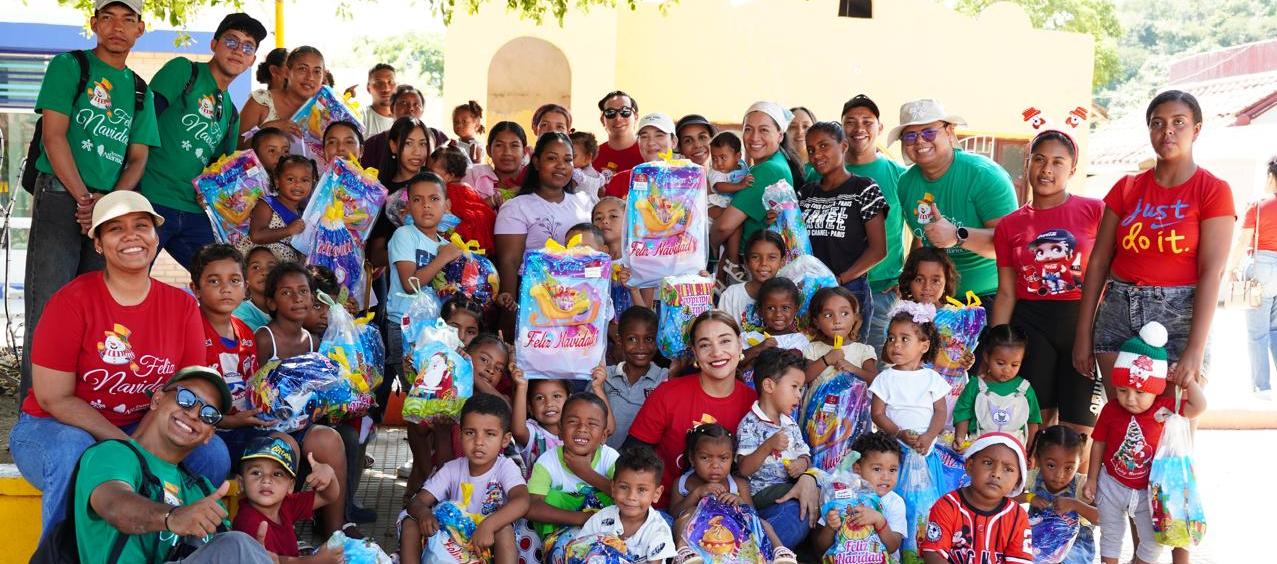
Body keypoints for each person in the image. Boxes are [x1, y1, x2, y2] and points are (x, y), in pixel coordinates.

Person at [11, 191, 227, 536]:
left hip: (139, 428)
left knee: (212, 454)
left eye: (141, 226)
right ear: (98, 243)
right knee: (74, 452)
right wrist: (129, 448)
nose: (131, 236)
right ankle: (62, 555)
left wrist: (164, 436)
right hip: (53, 429)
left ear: (156, 237)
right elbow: (54, 398)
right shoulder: (71, 302)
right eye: (114, 229)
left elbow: (190, 390)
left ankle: (175, 547)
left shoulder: (182, 307)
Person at [21, 0, 161, 404]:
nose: (118, 27)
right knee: (47, 307)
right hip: (62, 197)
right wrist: (87, 200)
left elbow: (138, 158)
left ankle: (82, 404)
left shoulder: (139, 90)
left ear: (140, 29)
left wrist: (110, 204)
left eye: (128, 19)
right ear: (95, 24)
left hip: (107, 213)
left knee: (99, 310)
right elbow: (54, 137)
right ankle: (36, 409)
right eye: (108, 18)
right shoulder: (70, 66)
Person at [1073, 91, 1233, 432]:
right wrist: (1083, 334)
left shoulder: (1212, 190)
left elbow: (1212, 271)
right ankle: (1116, 489)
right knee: (1122, 425)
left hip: (1180, 316)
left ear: (1197, 130)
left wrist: (1195, 348)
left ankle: (1171, 490)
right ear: (1149, 130)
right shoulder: (1128, 188)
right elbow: (1099, 261)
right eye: (1158, 123)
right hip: (1118, 311)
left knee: (1171, 427)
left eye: (1179, 123)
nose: (1167, 132)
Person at [625, 311, 821, 541]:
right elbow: (632, 456)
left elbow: (791, 451)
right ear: (695, 354)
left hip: (738, 510)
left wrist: (809, 477)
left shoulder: (757, 403)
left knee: (794, 512)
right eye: (705, 345)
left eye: (725, 341)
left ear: (740, 346)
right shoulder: (668, 394)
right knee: (660, 529)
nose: (717, 352)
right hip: (673, 511)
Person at [63, 366, 273, 563]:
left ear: (210, 434)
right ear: (157, 399)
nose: (193, 414)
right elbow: (114, 506)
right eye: (186, 398)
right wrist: (172, 517)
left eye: (208, 414)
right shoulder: (113, 454)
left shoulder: (202, 490)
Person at [991, 128, 1103, 435]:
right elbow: (1006, 293)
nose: (1046, 169)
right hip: (1032, 324)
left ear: (1072, 169)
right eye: (1039, 159)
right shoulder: (1009, 225)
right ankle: (1029, 483)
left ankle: (1080, 485)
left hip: (1082, 321)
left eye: (1057, 162)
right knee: (1033, 425)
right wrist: (994, 347)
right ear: (1027, 163)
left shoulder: (1096, 211)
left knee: (1080, 431)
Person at [142, 12, 264, 272]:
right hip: (151, 199)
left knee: (222, 276)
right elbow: (144, 123)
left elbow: (215, 171)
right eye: (231, 41)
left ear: (252, 59)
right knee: (132, 275)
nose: (238, 51)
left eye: (247, 47)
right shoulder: (184, 71)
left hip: (194, 211)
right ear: (214, 44)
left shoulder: (231, 113)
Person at [1082, 322, 1205, 564]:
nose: (1130, 399)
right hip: (1111, 484)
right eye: (1122, 390)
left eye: (1140, 393)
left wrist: (1188, 383)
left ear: (1156, 391)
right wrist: (1092, 479)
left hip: (1148, 490)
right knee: (1111, 534)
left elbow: (1199, 407)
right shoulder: (1111, 409)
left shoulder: (1162, 410)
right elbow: (1098, 443)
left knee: (1152, 542)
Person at [890, 99, 1018, 301]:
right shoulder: (906, 182)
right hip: (934, 301)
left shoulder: (985, 175)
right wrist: (906, 282)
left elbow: (1010, 246)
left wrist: (957, 236)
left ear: (949, 132)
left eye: (929, 132)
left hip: (987, 297)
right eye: (911, 135)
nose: (920, 141)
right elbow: (922, 237)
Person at [402, 393, 530, 564]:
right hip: (452, 540)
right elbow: (417, 502)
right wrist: (424, 513)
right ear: (461, 434)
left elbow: (522, 501)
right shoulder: (452, 468)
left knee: (504, 530)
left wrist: (489, 525)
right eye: (470, 432)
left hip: (488, 543)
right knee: (410, 522)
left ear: (505, 440)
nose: (478, 442)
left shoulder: (505, 467)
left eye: (489, 434)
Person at [832, 95, 910, 352]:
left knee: (875, 368)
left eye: (867, 121)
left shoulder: (899, 176)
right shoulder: (821, 171)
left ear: (880, 128)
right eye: (851, 122)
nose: (859, 128)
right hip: (832, 292)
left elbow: (919, 231)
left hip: (881, 291)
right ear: (841, 127)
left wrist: (908, 277)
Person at [800, 121, 888, 340]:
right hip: (810, 293)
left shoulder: (863, 188)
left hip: (849, 292)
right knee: (812, 360)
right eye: (811, 149)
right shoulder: (805, 193)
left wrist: (840, 280)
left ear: (844, 146)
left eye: (823, 146)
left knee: (848, 361)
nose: (816, 154)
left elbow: (878, 250)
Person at [666, 422, 797, 564]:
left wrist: (738, 501)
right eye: (705, 458)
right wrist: (696, 493)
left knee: (763, 522)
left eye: (723, 458)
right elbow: (673, 514)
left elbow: (752, 514)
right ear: (692, 458)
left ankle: (780, 551)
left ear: (732, 458)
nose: (715, 465)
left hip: (734, 540)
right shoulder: (683, 483)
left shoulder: (738, 484)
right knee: (688, 514)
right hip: (700, 541)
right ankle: (683, 551)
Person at [493, 132, 594, 306]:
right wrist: (509, 313)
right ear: (537, 162)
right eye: (552, 158)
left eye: (568, 159)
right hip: (534, 301)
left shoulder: (585, 202)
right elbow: (509, 263)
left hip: (582, 300)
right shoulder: (516, 207)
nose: (561, 165)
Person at [526, 393, 620, 557]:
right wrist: (582, 518)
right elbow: (531, 507)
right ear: (560, 431)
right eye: (573, 422)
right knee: (547, 500)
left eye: (592, 424)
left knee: (620, 493)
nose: (582, 428)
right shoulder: (547, 461)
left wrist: (586, 473)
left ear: (603, 436)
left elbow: (627, 496)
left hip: (606, 532)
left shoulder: (610, 458)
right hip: (561, 533)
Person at [710, 102, 805, 260]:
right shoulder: (780, 162)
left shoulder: (768, 170)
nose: (754, 138)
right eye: (748, 129)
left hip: (749, 265)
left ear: (780, 135)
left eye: (764, 130)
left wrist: (711, 247)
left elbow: (723, 227)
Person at [919, 432, 1033, 564]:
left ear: (1018, 481)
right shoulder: (947, 506)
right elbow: (933, 556)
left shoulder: (1018, 517)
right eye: (988, 462)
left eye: (1008, 469)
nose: (996, 474)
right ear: (969, 466)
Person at [231, 436, 343, 561]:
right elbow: (270, 561)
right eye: (256, 472)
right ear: (241, 483)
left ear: (290, 486)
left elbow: (327, 496)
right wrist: (315, 561)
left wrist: (329, 474)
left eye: (277, 474)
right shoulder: (248, 521)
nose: (266, 480)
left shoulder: (286, 503)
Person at [192, 244, 264, 436]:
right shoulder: (191, 331)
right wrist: (229, 421)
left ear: (245, 288)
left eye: (234, 281)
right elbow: (185, 395)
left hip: (247, 422)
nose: (226, 289)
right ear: (196, 289)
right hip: (207, 429)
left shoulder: (246, 332)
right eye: (214, 281)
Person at [735, 349, 812, 513]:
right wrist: (768, 446)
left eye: (801, 389)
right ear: (769, 385)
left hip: (786, 487)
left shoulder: (790, 423)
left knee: (814, 486)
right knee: (799, 496)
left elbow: (804, 452)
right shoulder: (750, 423)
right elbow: (744, 469)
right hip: (761, 492)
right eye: (794, 387)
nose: (799, 395)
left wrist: (802, 463)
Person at [869, 302, 949, 458]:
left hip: (925, 448)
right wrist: (898, 433)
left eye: (904, 339)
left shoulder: (932, 378)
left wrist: (929, 436)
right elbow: (877, 414)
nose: (896, 344)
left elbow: (941, 411)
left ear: (924, 346)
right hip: (893, 450)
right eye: (891, 338)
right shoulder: (885, 378)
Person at [574, 445, 677, 562]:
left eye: (641, 490)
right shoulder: (602, 518)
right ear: (613, 488)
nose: (631, 497)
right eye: (624, 487)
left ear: (656, 494)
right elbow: (578, 550)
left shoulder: (658, 529)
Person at [813, 431, 906, 559]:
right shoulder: (840, 496)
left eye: (892, 470)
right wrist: (830, 527)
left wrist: (879, 520)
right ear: (857, 469)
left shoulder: (895, 502)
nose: (886, 477)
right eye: (877, 469)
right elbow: (820, 547)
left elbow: (893, 546)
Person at [1229, 155, 1277, 398]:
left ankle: (1262, 387)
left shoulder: (1258, 205)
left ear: (1271, 176)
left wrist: (1230, 270)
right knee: (1276, 330)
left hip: (1263, 267)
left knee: (1257, 332)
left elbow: (1243, 241)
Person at [952, 324, 1042, 446]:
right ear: (986, 357)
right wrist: (960, 439)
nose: (1007, 370)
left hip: (1014, 452)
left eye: (1014, 365)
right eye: (1000, 363)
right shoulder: (975, 386)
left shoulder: (1025, 389)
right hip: (980, 448)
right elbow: (962, 414)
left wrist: (1031, 452)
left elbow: (1033, 421)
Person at [1019, 425, 1097, 564]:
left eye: (1069, 468)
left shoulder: (1081, 485)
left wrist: (1076, 505)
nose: (1059, 475)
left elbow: (1103, 518)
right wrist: (1029, 497)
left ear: (1080, 463)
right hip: (1038, 538)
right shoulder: (1033, 477)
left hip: (1074, 544)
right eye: (1051, 465)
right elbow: (1004, 496)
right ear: (1038, 458)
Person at [603, 306, 668, 450]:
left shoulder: (665, 378)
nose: (641, 347)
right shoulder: (605, 376)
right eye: (632, 339)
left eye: (649, 339)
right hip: (603, 464)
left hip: (644, 467)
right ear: (619, 340)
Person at [238, 45, 326, 147]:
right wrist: (266, 130)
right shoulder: (262, 101)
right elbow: (236, 146)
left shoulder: (326, 110)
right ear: (287, 72)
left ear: (323, 76)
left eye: (317, 71)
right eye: (302, 69)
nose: (310, 77)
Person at [248, 154, 315, 263]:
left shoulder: (304, 214)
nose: (298, 184)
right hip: (261, 266)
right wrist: (288, 230)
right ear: (277, 181)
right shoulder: (266, 204)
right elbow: (256, 235)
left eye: (305, 180)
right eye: (290, 179)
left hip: (286, 271)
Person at [718, 230, 787, 334]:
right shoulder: (731, 296)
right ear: (746, 262)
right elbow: (723, 336)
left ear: (782, 261)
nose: (763, 263)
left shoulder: (789, 294)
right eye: (755, 257)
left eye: (772, 257)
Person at [430, 144, 497, 251]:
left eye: (432, 173)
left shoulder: (446, 191)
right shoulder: (467, 187)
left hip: (465, 237)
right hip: (485, 236)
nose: (428, 176)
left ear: (449, 176)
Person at [707, 131, 752, 279]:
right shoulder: (715, 172)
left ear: (737, 157)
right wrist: (740, 186)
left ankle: (720, 277)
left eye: (723, 157)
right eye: (714, 158)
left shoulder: (742, 166)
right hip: (714, 206)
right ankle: (734, 261)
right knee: (735, 223)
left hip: (728, 206)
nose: (718, 163)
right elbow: (720, 187)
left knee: (729, 243)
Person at [603, 112, 678, 199]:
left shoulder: (687, 178)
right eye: (644, 136)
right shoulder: (620, 181)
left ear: (674, 142)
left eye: (659, 135)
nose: (651, 143)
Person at [740, 277, 810, 369]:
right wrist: (758, 349)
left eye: (785, 308)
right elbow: (736, 361)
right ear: (760, 311)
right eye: (771, 308)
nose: (778, 314)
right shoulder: (749, 337)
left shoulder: (799, 340)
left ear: (795, 310)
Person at [464, 120, 528, 205]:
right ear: (488, 150)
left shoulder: (535, 181)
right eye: (499, 145)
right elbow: (464, 211)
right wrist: (493, 200)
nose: (507, 152)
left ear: (524, 151)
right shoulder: (473, 176)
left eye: (514, 145)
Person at [593, 90, 643, 176]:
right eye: (610, 113)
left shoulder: (648, 153)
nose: (618, 118)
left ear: (635, 116)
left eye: (625, 111)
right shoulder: (592, 156)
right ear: (602, 119)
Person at [234, 245, 277, 330]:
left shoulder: (287, 305)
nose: (265, 272)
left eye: (271, 267)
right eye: (256, 267)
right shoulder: (240, 312)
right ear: (245, 277)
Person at [570, 130, 607, 199]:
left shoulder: (577, 174)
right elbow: (602, 193)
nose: (568, 160)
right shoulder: (599, 177)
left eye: (573, 156)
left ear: (588, 157)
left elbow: (567, 192)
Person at [362, 63, 397, 136]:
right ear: (368, 88)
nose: (386, 88)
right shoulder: (360, 118)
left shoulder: (405, 119)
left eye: (390, 82)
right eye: (379, 83)